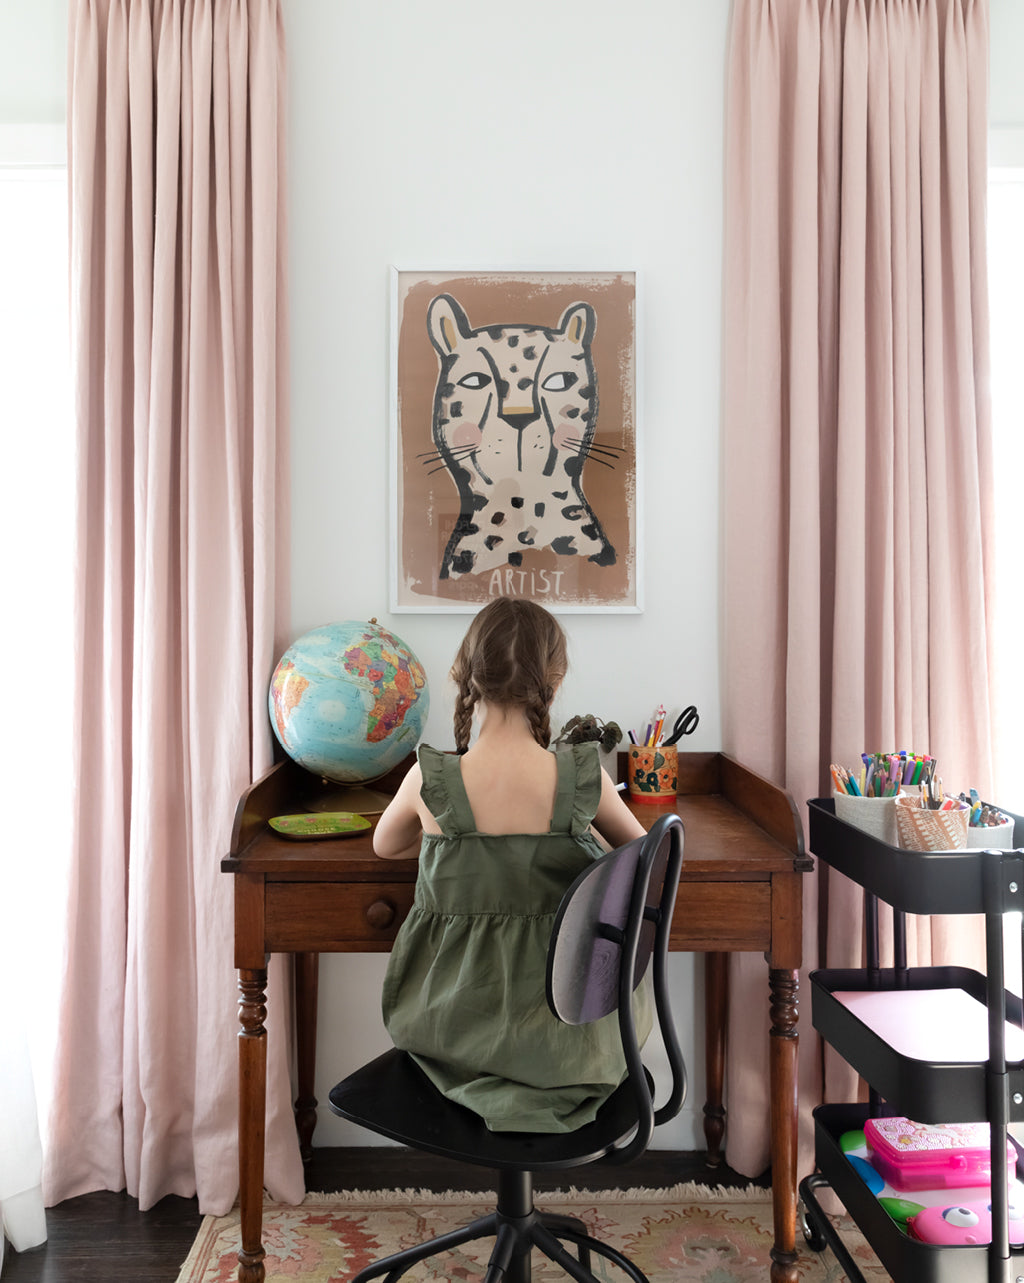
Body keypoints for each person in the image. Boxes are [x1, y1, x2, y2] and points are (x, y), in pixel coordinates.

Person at [372, 598, 649, 1133]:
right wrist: (580, 831)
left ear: (463, 672)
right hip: (579, 1049)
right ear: (555, 676)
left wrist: (452, 844)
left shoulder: (428, 780)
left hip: (450, 1043)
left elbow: (387, 846)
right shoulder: (583, 777)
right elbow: (649, 861)